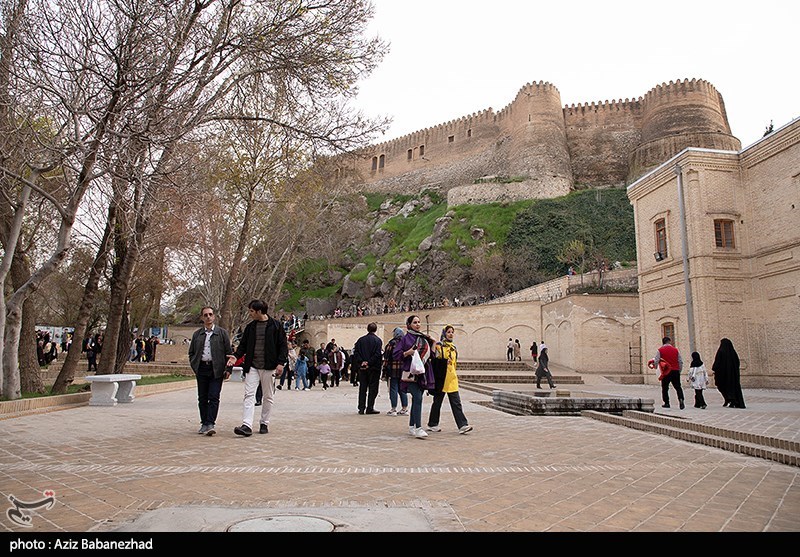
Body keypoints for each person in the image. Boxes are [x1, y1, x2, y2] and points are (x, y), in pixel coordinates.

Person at [227, 299, 289, 436]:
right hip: (253, 366)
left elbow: (283, 346)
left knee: (268, 396)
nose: (250, 314)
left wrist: (280, 363)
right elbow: (243, 345)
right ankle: (246, 425)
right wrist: (235, 356)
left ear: (259, 311)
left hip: (269, 366)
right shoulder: (250, 327)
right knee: (249, 395)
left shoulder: (276, 326)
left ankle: (264, 422)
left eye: (251, 311)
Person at [188, 306, 233, 436]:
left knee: (213, 396)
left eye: (210, 314)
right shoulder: (197, 334)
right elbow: (191, 352)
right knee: (202, 397)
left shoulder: (222, 333)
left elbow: (228, 353)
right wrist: (194, 365)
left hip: (216, 369)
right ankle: (204, 423)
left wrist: (228, 369)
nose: (208, 317)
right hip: (202, 369)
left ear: (214, 316)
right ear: (202, 317)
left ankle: (210, 423)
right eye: (205, 315)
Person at [394, 314, 436, 439]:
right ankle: (418, 428)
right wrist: (408, 353)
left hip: (423, 373)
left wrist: (433, 342)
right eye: (415, 322)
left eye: (419, 322)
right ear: (409, 325)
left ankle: (412, 426)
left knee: (417, 399)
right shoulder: (405, 339)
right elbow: (396, 354)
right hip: (411, 373)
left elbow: (432, 356)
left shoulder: (424, 338)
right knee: (417, 398)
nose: (418, 324)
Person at [426, 325, 473, 434]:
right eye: (448, 332)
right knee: (437, 402)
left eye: (452, 332)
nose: (451, 334)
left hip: (451, 378)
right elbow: (433, 359)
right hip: (441, 379)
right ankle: (432, 424)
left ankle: (462, 425)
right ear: (444, 333)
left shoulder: (453, 348)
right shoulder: (439, 346)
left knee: (456, 402)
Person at [352, 322, 384, 415]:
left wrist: (362, 361)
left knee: (363, 388)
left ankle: (361, 408)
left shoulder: (360, 340)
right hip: (374, 368)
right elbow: (378, 354)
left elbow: (356, 352)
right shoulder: (378, 341)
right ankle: (370, 407)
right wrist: (369, 362)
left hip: (362, 368)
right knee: (373, 388)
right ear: (375, 330)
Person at [712, 338, 746, 409]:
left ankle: (729, 399)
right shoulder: (733, 353)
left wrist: (715, 369)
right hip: (733, 376)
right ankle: (732, 400)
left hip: (723, 375)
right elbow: (737, 363)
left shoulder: (721, 351)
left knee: (721, 386)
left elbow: (717, 363)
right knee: (733, 387)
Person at [382, 327, 409, 417]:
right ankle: (404, 408)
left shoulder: (392, 343)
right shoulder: (405, 343)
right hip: (403, 369)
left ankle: (393, 409)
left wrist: (384, 369)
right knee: (403, 389)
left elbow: (386, 357)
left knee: (393, 388)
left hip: (393, 369)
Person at [654, 336, 685, 409]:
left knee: (665, 387)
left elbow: (656, 360)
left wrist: (656, 368)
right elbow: (680, 361)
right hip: (675, 370)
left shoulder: (660, 350)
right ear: (669, 341)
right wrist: (679, 370)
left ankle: (666, 402)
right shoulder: (675, 350)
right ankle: (681, 399)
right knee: (678, 387)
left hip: (666, 371)